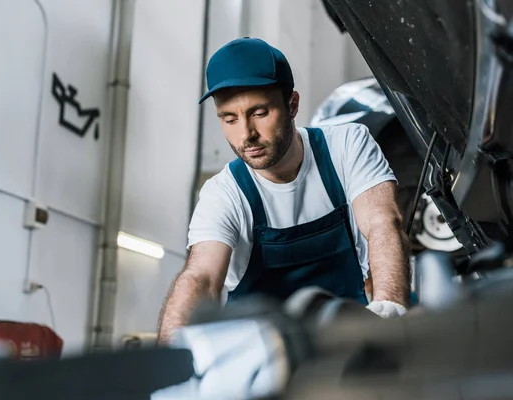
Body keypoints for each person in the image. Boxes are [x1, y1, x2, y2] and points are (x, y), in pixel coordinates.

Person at [157, 37, 411, 344]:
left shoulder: (347, 146)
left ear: (291, 105)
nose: (246, 135)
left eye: (259, 113)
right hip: (255, 353)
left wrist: (389, 311)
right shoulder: (223, 193)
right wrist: (173, 359)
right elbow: (202, 277)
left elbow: (382, 223)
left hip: (345, 341)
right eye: (229, 119)